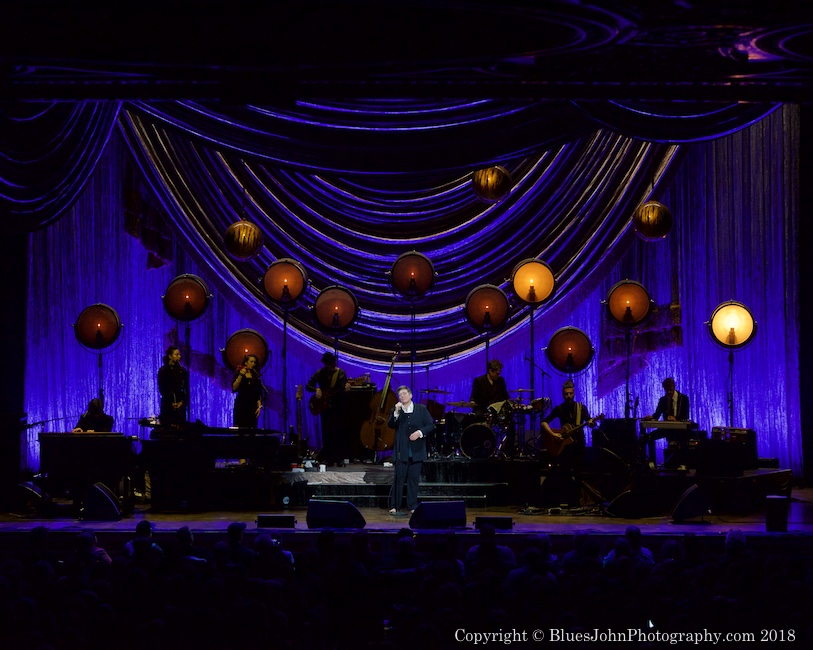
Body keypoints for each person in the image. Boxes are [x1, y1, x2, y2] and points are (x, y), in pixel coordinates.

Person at [541, 380, 596, 505]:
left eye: (570, 394)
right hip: (564, 446)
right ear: (563, 395)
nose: (569, 396)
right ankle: (566, 499)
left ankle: (577, 500)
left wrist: (591, 423)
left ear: (574, 393)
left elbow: (590, 422)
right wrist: (553, 434)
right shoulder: (559, 409)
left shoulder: (581, 408)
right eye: (566, 394)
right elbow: (544, 422)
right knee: (564, 472)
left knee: (578, 473)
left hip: (578, 444)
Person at [387, 385, 434, 516]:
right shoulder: (396, 410)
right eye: (400, 395)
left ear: (411, 395)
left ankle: (412, 506)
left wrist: (419, 433)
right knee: (399, 479)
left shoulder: (421, 409)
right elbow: (390, 425)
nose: (402, 396)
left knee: (413, 480)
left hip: (416, 451)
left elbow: (430, 425)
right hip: (402, 451)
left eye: (404, 394)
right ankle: (395, 506)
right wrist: (396, 412)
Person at [306, 351, 351, 466]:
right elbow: (308, 386)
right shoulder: (319, 373)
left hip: (338, 406)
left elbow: (344, 388)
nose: (329, 365)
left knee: (339, 432)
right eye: (327, 363)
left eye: (330, 363)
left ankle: (340, 458)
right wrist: (316, 389)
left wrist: (347, 389)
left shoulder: (340, 373)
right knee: (326, 433)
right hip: (325, 407)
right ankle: (328, 458)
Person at [469, 359, 515, 457]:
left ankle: (508, 450)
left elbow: (505, 396)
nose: (499, 375)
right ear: (490, 371)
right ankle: (478, 447)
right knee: (477, 417)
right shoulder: (479, 381)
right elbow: (473, 396)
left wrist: (511, 404)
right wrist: (472, 402)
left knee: (511, 422)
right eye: (497, 373)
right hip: (482, 409)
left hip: (496, 411)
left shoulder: (500, 381)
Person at [157, 345, 189, 428]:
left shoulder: (182, 371)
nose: (179, 356)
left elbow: (186, 388)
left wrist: (182, 402)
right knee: (168, 428)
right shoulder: (163, 370)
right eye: (176, 354)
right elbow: (162, 388)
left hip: (180, 404)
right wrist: (171, 402)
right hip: (168, 404)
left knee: (180, 428)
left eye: (179, 355)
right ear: (170, 356)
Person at [232, 353, 264, 428]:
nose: (253, 364)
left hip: (252, 405)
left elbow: (258, 392)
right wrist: (240, 375)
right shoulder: (238, 372)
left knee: (251, 427)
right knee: (240, 427)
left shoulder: (255, 375)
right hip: (241, 404)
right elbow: (234, 387)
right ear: (246, 362)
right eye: (251, 362)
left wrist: (259, 406)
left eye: (254, 362)